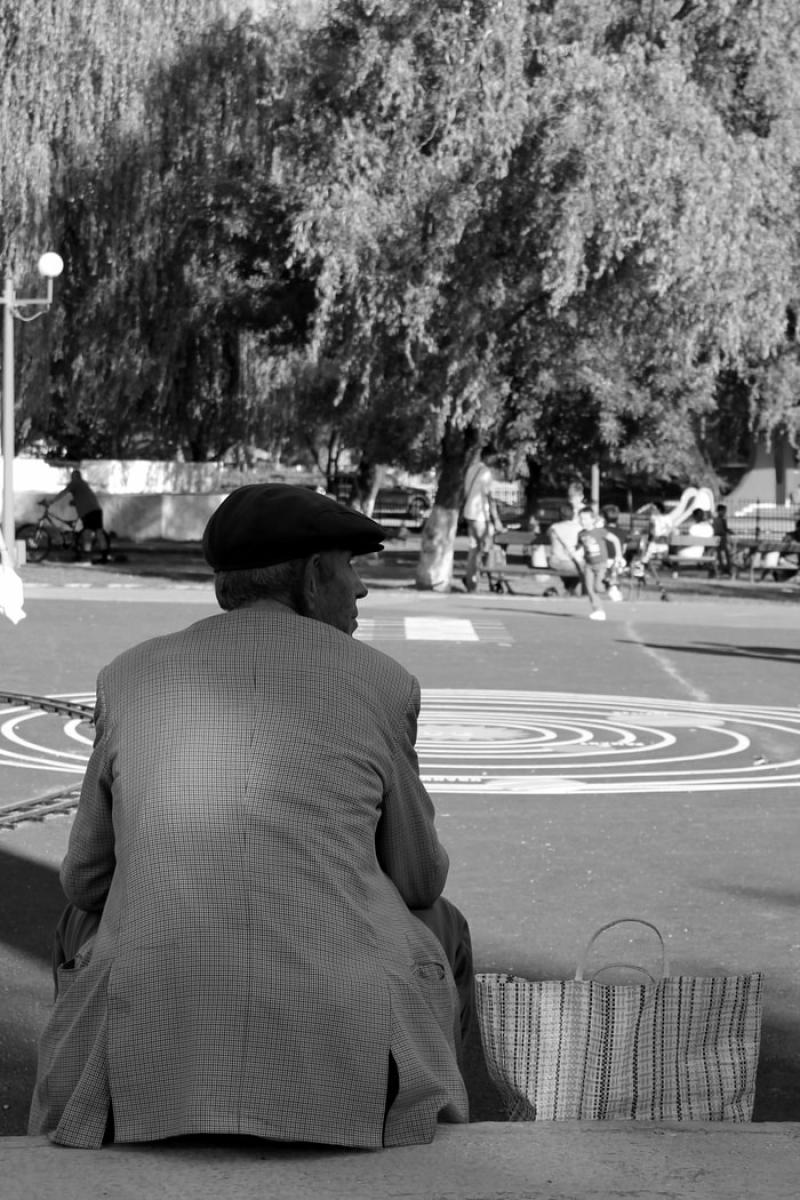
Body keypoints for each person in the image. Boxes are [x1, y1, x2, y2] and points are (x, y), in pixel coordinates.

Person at [29, 483, 471, 1149]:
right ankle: (439, 1118)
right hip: (347, 1006)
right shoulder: (384, 680)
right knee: (443, 924)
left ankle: (95, 1083)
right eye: (351, 567)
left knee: (82, 921)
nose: (361, 589)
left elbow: (86, 879)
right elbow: (418, 879)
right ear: (314, 577)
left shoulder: (127, 674)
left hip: (152, 993)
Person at [461, 446, 504, 592]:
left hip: (469, 513)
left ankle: (471, 581)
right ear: (488, 457)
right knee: (487, 548)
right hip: (480, 516)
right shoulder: (485, 472)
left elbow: (466, 491)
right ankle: (490, 581)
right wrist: (496, 519)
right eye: (494, 458)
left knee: (473, 548)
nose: (495, 461)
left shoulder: (471, 469)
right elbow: (490, 497)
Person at [51, 469, 110, 562]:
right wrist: (75, 502)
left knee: (87, 533)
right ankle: (104, 556)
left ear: (75, 476)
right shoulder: (83, 484)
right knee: (99, 532)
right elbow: (85, 497)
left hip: (88, 512)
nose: (71, 479)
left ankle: (86, 556)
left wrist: (51, 501)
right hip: (96, 510)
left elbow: (64, 492)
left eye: (72, 476)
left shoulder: (75, 483)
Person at [575, 507, 609, 620]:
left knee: (598, 587)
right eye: (581, 519)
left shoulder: (599, 531)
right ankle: (599, 610)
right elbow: (580, 545)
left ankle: (612, 586)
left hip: (601, 563)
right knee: (589, 588)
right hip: (588, 564)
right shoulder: (581, 534)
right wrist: (576, 550)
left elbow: (615, 540)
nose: (582, 521)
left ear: (593, 519)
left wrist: (618, 555)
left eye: (585, 519)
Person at [546, 502, 583, 593]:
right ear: (573, 514)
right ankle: (570, 589)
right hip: (573, 563)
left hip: (555, 562)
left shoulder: (554, 527)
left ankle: (569, 589)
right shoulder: (579, 528)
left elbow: (548, 534)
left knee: (570, 568)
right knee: (583, 566)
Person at [711, 504, 733, 577]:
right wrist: (730, 532)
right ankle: (725, 568)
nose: (724, 513)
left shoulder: (715, 520)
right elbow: (724, 529)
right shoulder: (721, 520)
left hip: (718, 539)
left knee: (721, 555)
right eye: (724, 511)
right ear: (720, 511)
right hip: (721, 538)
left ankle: (724, 568)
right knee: (724, 554)